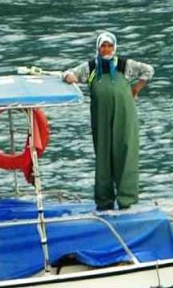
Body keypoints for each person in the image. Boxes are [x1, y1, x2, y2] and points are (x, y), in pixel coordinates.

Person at [62, 32, 155, 210]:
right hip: (101, 119)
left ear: (114, 47)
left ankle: (126, 200)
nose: (106, 49)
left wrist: (136, 88)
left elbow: (148, 70)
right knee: (103, 156)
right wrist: (68, 77)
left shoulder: (124, 64)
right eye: (103, 46)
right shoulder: (91, 67)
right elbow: (70, 73)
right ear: (98, 48)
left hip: (125, 117)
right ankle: (104, 201)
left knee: (125, 153)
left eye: (109, 46)